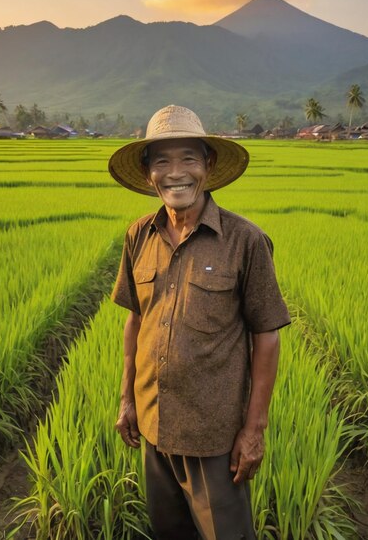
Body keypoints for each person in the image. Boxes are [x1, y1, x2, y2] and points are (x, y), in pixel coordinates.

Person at [109, 105, 291, 540]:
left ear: (208, 165)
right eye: (162, 161)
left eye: (189, 158)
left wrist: (254, 430)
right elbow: (136, 319)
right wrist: (127, 399)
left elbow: (266, 335)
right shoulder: (139, 235)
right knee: (169, 532)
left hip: (214, 440)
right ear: (148, 171)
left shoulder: (244, 240)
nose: (176, 173)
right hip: (153, 427)